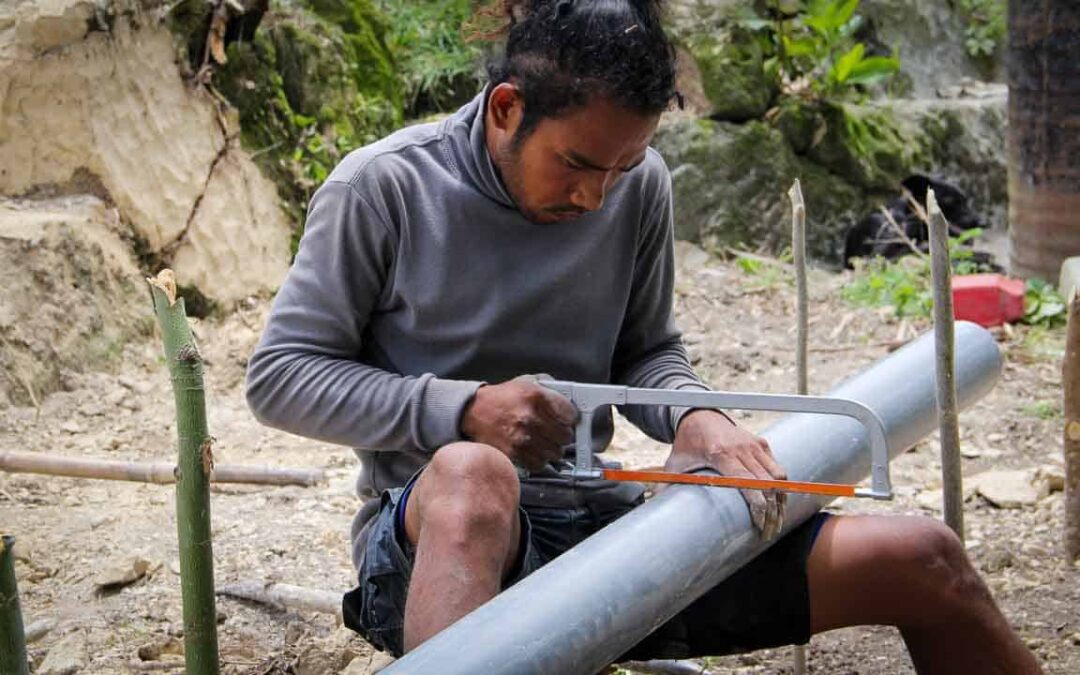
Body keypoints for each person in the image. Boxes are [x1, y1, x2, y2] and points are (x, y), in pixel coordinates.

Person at [245, 0, 1040, 671]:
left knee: (924, 558)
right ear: (506, 108)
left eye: (624, 166)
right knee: (472, 475)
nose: (597, 196)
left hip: (616, 543)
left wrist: (698, 417)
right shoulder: (383, 187)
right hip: (434, 553)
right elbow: (280, 374)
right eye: (578, 164)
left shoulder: (638, 182)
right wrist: (462, 409)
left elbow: (647, 350)